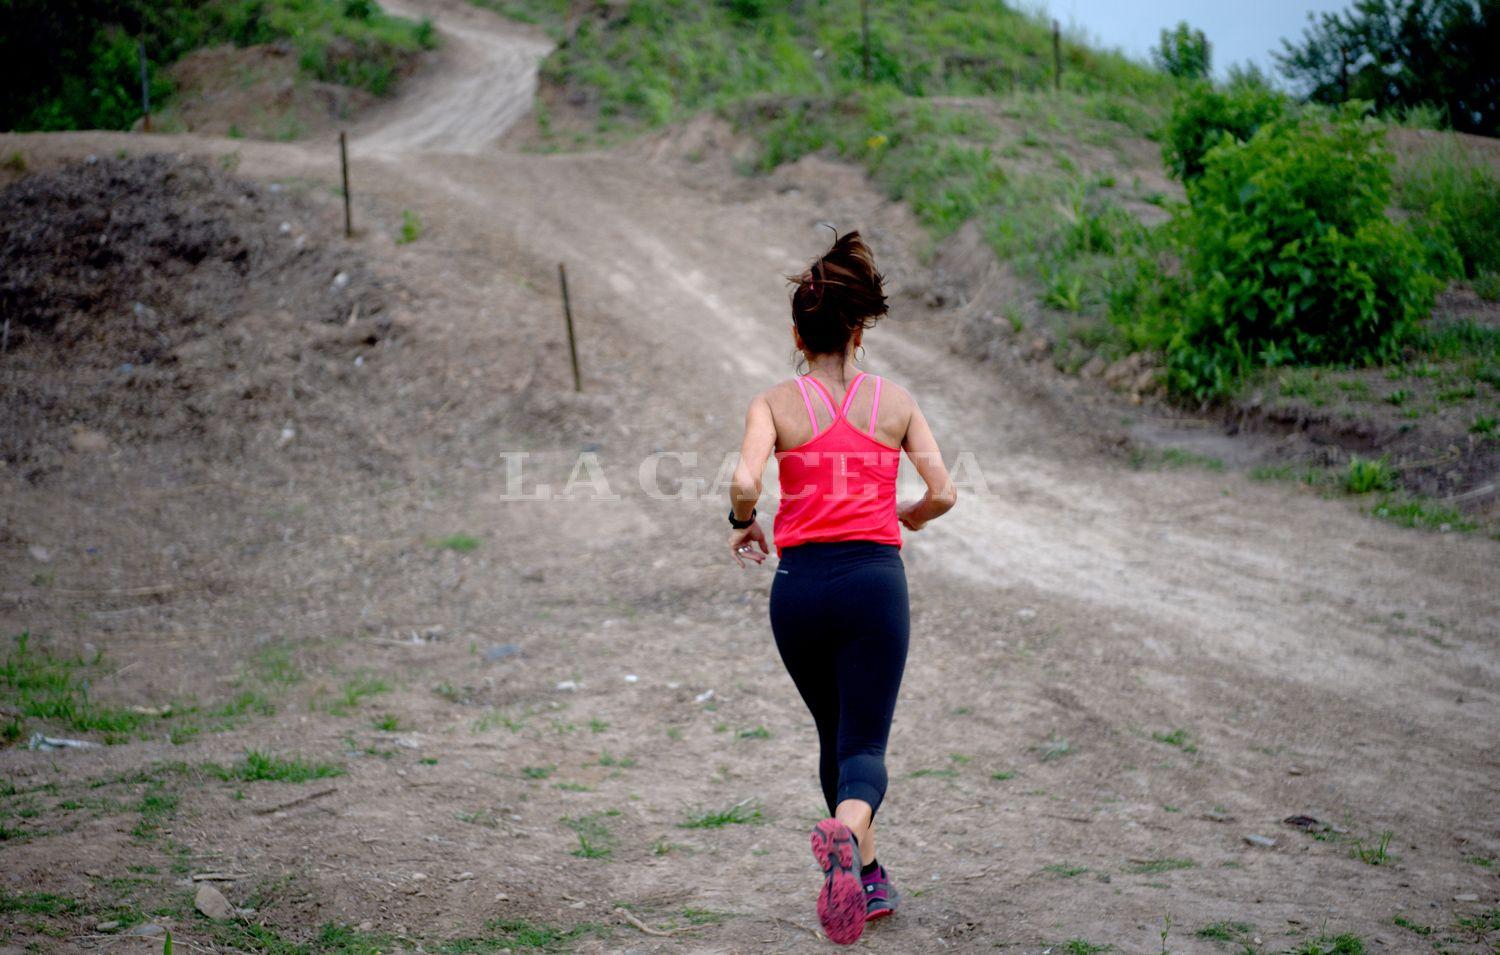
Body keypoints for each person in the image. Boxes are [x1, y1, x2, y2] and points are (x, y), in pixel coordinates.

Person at [726, 231, 957, 945]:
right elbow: (943, 493)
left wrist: (742, 520)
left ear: (798, 335)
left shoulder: (773, 404)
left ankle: (869, 875)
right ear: (858, 332)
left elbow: (744, 480)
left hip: (797, 590)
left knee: (835, 732)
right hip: (871, 583)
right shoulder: (896, 403)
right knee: (864, 746)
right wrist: (910, 514)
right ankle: (846, 833)